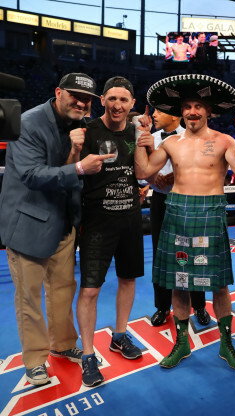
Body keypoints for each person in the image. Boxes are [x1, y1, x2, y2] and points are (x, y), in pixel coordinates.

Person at [135, 73, 235, 372]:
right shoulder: (172, 143)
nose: (192, 111)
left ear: (208, 111)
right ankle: (182, 342)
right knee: (179, 283)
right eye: (187, 106)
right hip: (178, 210)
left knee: (220, 285)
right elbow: (145, 170)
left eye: (198, 106)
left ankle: (227, 344)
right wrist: (139, 139)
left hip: (211, 210)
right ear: (181, 111)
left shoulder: (225, 140)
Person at [0, 73, 109, 386]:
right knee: (29, 297)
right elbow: (32, 175)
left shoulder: (80, 124)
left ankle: (62, 343)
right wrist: (78, 166)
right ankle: (34, 358)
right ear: (58, 92)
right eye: (74, 95)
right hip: (28, 225)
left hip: (63, 224)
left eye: (87, 99)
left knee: (63, 290)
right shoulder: (28, 123)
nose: (81, 102)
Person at [76, 76, 145, 387]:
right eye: (112, 99)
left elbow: (143, 175)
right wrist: (74, 150)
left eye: (124, 100)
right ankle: (88, 356)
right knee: (90, 290)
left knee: (127, 279)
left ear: (132, 104)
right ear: (102, 100)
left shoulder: (137, 131)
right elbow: (70, 172)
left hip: (130, 219)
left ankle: (119, 335)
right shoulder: (88, 131)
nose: (118, 105)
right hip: (96, 222)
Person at [147, 109, 211, 327]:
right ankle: (162, 307)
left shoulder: (192, 137)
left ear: (174, 115)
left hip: (186, 200)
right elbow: (141, 169)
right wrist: (154, 177)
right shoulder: (152, 139)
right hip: (160, 200)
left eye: (159, 111)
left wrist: (173, 176)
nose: (154, 115)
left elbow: (200, 166)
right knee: (160, 255)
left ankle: (199, 305)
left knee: (194, 253)